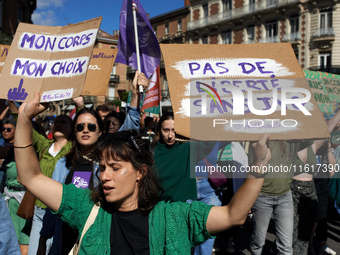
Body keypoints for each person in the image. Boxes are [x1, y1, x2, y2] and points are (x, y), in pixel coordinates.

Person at [14, 90, 271, 254]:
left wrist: (258, 166)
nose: (104, 176)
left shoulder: (174, 217)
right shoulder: (87, 208)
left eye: (116, 168)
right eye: (102, 168)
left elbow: (234, 215)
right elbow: (31, 177)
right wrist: (24, 119)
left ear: (140, 172)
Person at [38, 107, 104, 255]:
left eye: (91, 127)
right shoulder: (63, 163)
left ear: (100, 132)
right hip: (64, 238)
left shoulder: (107, 164)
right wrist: (42, 240)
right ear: (74, 132)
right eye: (80, 127)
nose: (85, 130)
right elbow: (51, 205)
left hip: (94, 238)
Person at [249, 140, 313, 255]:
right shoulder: (259, 140)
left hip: (285, 196)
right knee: (258, 242)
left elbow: (310, 137)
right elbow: (252, 169)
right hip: (262, 196)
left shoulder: (291, 141)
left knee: (286, 246)